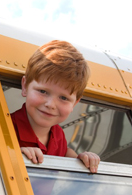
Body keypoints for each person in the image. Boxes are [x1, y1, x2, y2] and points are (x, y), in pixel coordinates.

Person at [12, 40, 100, 173]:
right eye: (43, 91)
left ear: (74, 104)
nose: (50, 105)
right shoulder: (3, 127)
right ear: (25, 87)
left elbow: (64, 152)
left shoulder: (58, 134)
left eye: (64, 98)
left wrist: (82, 158)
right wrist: (14, 154)